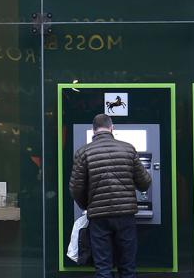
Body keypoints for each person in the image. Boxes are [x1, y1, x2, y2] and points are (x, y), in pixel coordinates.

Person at [69, 113, 151, 278]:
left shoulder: (83, 152)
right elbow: (145, 182)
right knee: (128, 267)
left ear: (93, 130)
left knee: (103, 268)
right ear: (112, 128)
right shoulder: (128, 149)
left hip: (99, 217)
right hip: (125, 215)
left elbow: (75, 188)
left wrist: (88, 205)